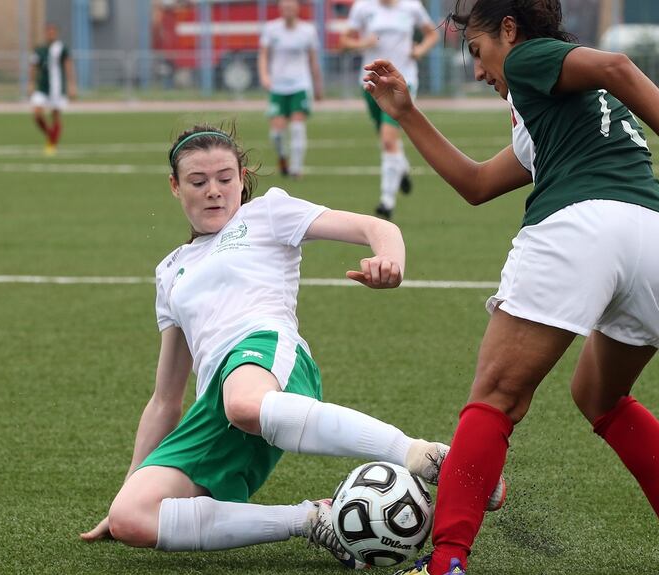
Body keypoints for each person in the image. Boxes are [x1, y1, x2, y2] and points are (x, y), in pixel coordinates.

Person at [363, 1, 659, 573]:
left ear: (511, 31)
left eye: (477, 51)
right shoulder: (551, 110)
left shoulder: (527, 61)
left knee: (496, 398)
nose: (478, 70)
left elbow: (618, 65)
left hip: (584, 228)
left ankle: (446, 563)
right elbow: (475, 184)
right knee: (600, 397)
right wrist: (407, 113)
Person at [78, 125, 503, 565]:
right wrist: (128, 486)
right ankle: (311, 520)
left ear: (242, 178)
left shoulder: (266, 213)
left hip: (267, 354)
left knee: (242, 402)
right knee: (131, 517)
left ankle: (421, 455)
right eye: (198, 181)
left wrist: (390, 260)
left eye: (225, 178)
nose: (214, 191)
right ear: (175, 186)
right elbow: (165, 400)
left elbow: (376, 226)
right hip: (217, 405)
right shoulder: (170, 271)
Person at [342, 0, 439, 220]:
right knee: (387, 138)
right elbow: (344, 41)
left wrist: (420, 49)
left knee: (388, 139)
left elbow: (431, 34)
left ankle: (386, 202)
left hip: (402, 81)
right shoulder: (363, 7)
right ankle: (402, 167)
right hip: (371, 82)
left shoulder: (411, 6)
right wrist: (361, 44)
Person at [258, 0, 323, 179]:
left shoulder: (308, 30)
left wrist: (318, 86)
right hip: (277, 87)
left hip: (300, 85)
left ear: (297, 8)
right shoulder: (271, 29)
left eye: (291, 7)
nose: (288, 10)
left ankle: (296, 169)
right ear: (280, 9)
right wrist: (264, 75)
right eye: (284, 7)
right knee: (276, 134)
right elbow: (263, 55)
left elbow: (313, 60)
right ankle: (282, 158)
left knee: (296, 127)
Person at [29, 24, 76, 156]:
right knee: (37, 113)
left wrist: (72, 85)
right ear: (45, 33)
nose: (50, 34)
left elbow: (68, 66)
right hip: (43, 87)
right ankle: (50, 135)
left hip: (57, 88)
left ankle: (51, 144)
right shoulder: (39, 50)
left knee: (55, 116)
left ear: (56, 33)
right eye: (48, 31)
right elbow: (33, 67)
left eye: (53, 32)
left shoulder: (61, 49)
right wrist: (31, 83)